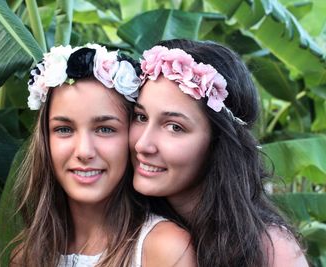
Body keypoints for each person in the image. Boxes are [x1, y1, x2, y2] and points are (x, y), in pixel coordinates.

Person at [8, 43, 194, 266]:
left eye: (105, 129)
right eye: (64, 129)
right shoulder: (26, 255)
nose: (84, 152)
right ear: (45, 141)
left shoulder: (164, 249)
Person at [129, 39, 309, 266]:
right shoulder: (122, 228)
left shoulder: (270, 248)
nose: (143, 145)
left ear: (219, 142)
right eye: (141, 117)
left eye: (175, 127)